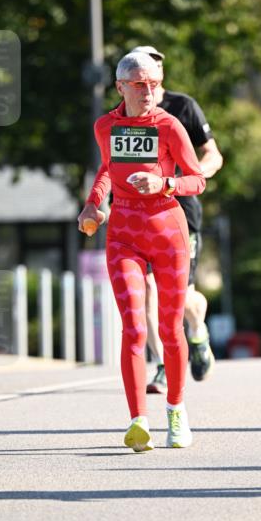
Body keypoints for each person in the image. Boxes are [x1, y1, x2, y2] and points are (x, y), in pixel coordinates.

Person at [78, 51, 205, 451]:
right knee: (133, 326)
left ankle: (177, 410)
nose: (149, 91)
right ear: (121, 87)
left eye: (154, 83)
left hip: (168, 230)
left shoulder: (169, 126)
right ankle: (138, 421)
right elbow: (105, 168)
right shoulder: (105, 126)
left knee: (169, 329)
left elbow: (197, 180)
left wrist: (165, 185)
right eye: (139, 84)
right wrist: (93, 203)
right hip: (124, 233)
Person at [127, 46, 223, 393]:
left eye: (150, 73)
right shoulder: (123, 115)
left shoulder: (183, 107)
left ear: (160, 74)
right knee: (150, 289)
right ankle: (165, 364)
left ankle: (197, 334)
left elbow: (213, 154)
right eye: (136, 76)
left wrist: (193, 175)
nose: (144, 82)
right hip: (140, 216)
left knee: (182, 297)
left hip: (181, 212)